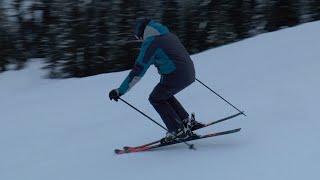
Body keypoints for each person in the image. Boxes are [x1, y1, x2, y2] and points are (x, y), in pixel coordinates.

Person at [109, 18, 204, 143]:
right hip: (189, 72)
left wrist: (120, 91)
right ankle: (186, 122)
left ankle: (177, 130)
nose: (141, 41)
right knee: (163, 94)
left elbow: (138, 70)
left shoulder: (151, 42)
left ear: (142, 33)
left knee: (155, 98)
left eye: (139, 38)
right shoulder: (169, 35)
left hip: (177, 74)